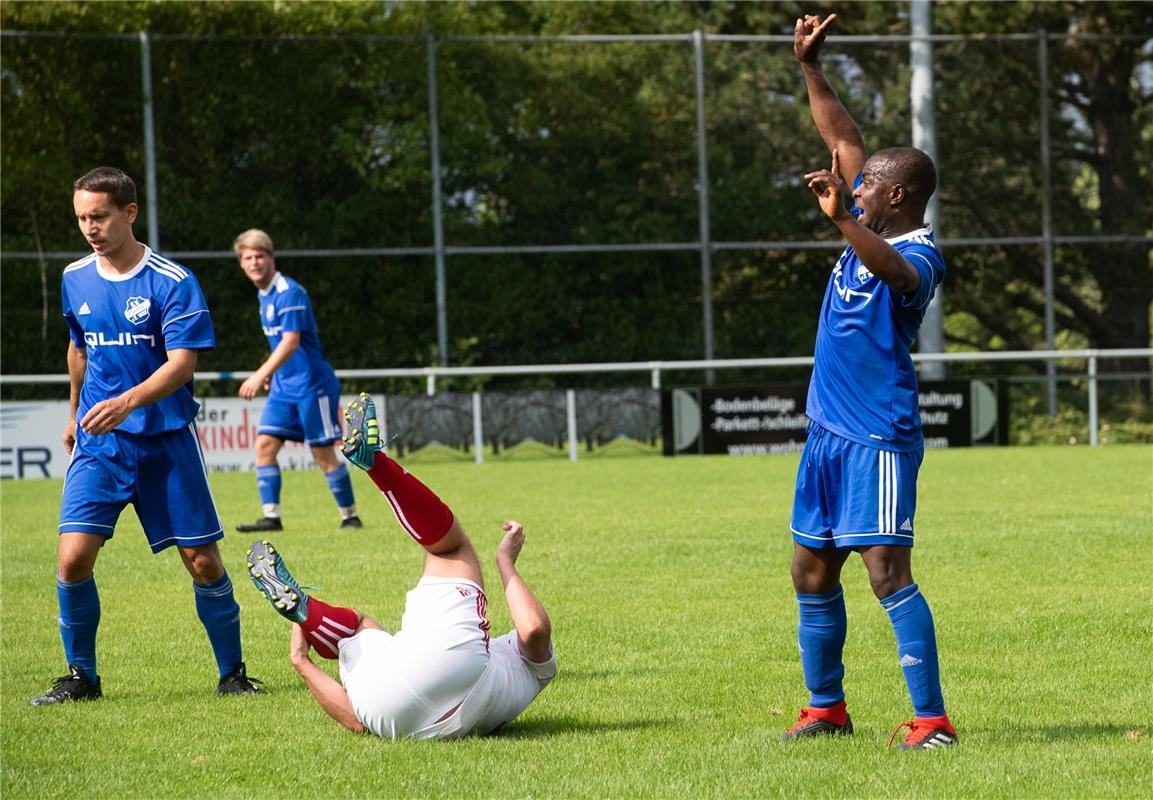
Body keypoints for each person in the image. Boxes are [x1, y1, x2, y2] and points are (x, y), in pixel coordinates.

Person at [781, 14, 958, 750]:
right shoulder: (870, 216)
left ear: (896, 197)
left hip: (877, 434)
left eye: (867, 188)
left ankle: (933, 721)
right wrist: (812, 68)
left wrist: (840, 227)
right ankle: (827, 708)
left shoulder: (919, 253)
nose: (856, 189)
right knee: (809, 571)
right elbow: (841, 132)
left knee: (885, 572)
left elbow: (888, 271)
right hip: (825, 432)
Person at [32, 167, 263, 706]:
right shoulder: (74, 277)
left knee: (202, 562)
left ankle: (233, 673)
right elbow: (79, 348)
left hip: (163, 440)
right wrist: (74, 414)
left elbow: (182, 364)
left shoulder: (172, 280)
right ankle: (80, 678)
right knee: (72, 559)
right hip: (100, 443)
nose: (89, 227)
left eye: (100, 216)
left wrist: (127, 402)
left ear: (129, 213)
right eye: (82, 218)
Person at [245, 392, 557, 739]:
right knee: (362, 627)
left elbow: (534, 632)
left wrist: (506, 563)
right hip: (388, 716)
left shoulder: (539, 669)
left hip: (454, 666)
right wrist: (302, 664)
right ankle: (308, 611)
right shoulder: (514, 691)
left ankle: (375, 462)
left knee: (451, 549)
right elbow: (356, 721)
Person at [232, 228, 361, 532]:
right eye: (248, 257)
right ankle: (271, 517)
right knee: (264, 445)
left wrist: (261, 373)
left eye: (260, 256)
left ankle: (350, 516)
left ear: (271, 258)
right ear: (241, 263)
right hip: (284, 387)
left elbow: (290, 342)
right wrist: (274, 374)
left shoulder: (289, 291)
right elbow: (281, 346)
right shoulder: (264, 296)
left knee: (322, 453)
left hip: (312, 385)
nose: (254, 262)